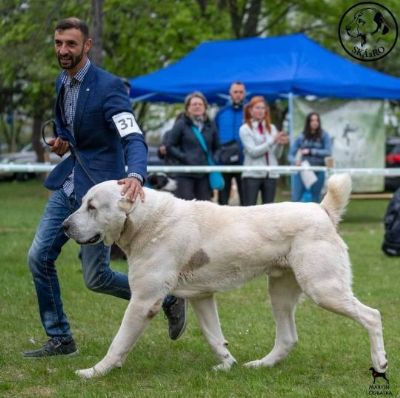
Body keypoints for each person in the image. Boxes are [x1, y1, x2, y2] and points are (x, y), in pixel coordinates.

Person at [24, 17, 186, 358]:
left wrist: (136, 175)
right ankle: (61, 338)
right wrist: (64, 142)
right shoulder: (62, 82)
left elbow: (133, 136)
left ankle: (169, 298)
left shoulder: (109, 86)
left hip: (100, 197)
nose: (63, 50)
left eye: (70, 44)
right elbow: (76, 131)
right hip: (69, 185)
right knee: (39, 257)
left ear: (87, 46)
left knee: (95, 278)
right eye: (58, 43)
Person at [167, 92, 220, 200]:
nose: (197, 106)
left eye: (200, 104)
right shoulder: (181, 124)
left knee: (204, 208)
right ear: (188, 108)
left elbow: (217, 147)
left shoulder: (211, 125)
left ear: (205, 107)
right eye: (194, 104)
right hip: (184, 174)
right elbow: (170, 146)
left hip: (204, 174)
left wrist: (213, 159)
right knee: (186, 208)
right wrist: (185, 157)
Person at [239, 96, 288, 206]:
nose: (261, 111)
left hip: (271, 175)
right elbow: (253, 152)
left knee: (269, 211)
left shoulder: (272, 128)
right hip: (252, 175)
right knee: (249, 209)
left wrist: (280, 144)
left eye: (263, 108)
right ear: (250, 110)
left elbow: (276, 155)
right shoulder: (245, 129)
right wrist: (272, 141)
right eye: (257, 108)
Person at [288, 112, 332, 202]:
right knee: (296, 198)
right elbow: (290, 155)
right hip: (304, 170)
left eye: (317, 120)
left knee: (316, 198)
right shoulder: (301, 136)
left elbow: (328, 152)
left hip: (319, 170)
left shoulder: (324, 135)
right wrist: (295, 161)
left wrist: (311, 151)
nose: (315, 122)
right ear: (308, 122)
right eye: (312, 120)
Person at [214, 82, 246, 205]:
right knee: (223, 200)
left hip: (244, 162)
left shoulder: (249, 111)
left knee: (245, 200)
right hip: (224, 161)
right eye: (235, 92)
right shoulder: (221, 112)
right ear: (230, 93)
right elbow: (214, 134)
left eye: (241, 92)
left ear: (244, 93)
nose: (238, 95)